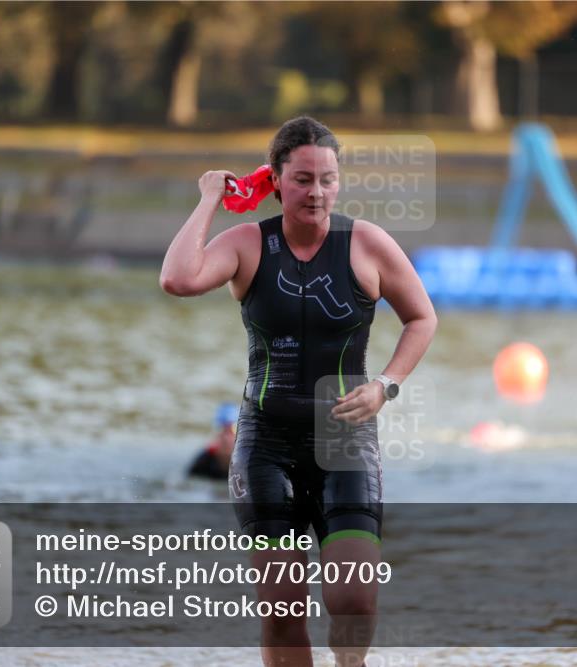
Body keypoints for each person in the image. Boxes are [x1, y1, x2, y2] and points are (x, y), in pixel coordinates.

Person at [160, 116, 437, 667]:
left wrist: (386, 385)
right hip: (266, 444)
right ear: (277, 181)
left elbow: (421, 318)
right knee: (283, 612)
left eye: (328, 179)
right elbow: (178, 278)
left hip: (344, 442)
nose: (317, 192)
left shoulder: (367, 244)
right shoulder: (247, 244)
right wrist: (211, 198)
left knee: (352, 601)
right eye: (304, 179)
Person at [186, 402, 239, 480]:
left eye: (232, 430)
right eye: (222, 430)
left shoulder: (247, 462)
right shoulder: (204, 460)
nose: (226, 438)